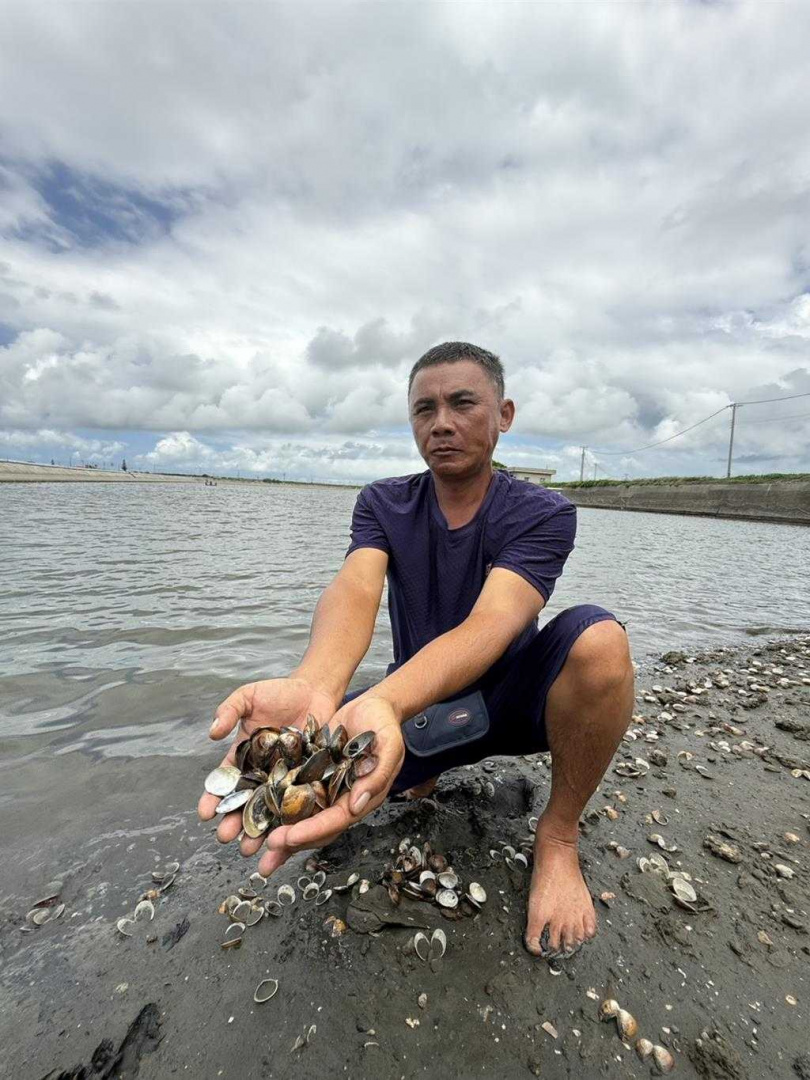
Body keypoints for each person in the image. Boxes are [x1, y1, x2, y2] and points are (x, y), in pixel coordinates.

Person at [198, 342, 634, 958]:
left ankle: (559, 837)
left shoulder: (544, 512)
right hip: (413, 712)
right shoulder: (383, 502)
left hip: (513, 705)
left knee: (600, 642)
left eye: (463, 403)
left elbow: (494, 622)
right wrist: (319, 685)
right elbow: (354, 589)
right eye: (424, 409)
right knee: (296, 794)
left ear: (503, 415)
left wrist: (383, 698)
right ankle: (425, 767)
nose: (442, 423)